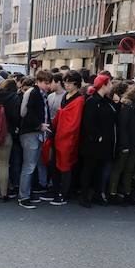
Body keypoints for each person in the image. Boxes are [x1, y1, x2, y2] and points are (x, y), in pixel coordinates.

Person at [47, 70, 85, 205]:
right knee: (54, 165)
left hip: (68, 137)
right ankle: (56, 190)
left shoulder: (79, 99)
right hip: (58, 134)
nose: (66, 85)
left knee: (65, 165)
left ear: (76, 84)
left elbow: (74, 122)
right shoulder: (66, 95)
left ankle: (64, 194)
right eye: (65, 83)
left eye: (69, 83)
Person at [79, 74, 117, 207]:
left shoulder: (106, 101)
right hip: (93, 143)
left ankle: (97, 195)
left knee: (100, 170)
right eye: (110, 83)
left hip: (105, 142)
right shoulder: (92, 101)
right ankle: (84, 197)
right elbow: (88, 123)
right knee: (88, 169)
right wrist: (97, 136)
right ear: (104, 85)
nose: (112, 86)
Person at [17, 70, 53, 208]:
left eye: (49, 83)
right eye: (46, 83)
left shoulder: (39, 93)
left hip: (35, 133)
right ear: (39, 81)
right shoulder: (35, 93)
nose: (48, 86)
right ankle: (24, 196)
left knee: (31, 166)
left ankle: (27, 193)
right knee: (29, 166)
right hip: (31, 133)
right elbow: (27, 113)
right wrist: (40, 125)